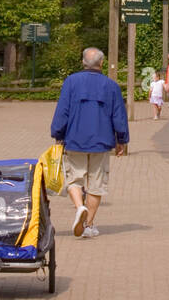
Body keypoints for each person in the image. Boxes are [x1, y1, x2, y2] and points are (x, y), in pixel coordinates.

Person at [50, 46, 129, 238]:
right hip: (101, 142)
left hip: (74, 139)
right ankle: (88, 225)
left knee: (74, 179)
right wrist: (122, 140)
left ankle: (79, 207)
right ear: (101, 64)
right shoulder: (111, 86)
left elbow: (63, 111)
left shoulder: (71, 82)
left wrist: (57, 133)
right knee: (96, 183)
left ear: (83, 62)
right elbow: (119, 115)